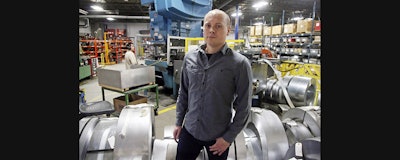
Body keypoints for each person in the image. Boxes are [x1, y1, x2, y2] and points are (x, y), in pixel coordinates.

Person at [173, 9, 253, 160]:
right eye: (208, 25)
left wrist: (228, 138)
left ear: (228, 30)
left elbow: (244, 107)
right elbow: (183, 93)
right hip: (190, 131)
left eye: (218, 26)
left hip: (218, 137)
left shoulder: (239, 64)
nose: (211, 30)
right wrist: (178, 122)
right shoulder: (190, 58)